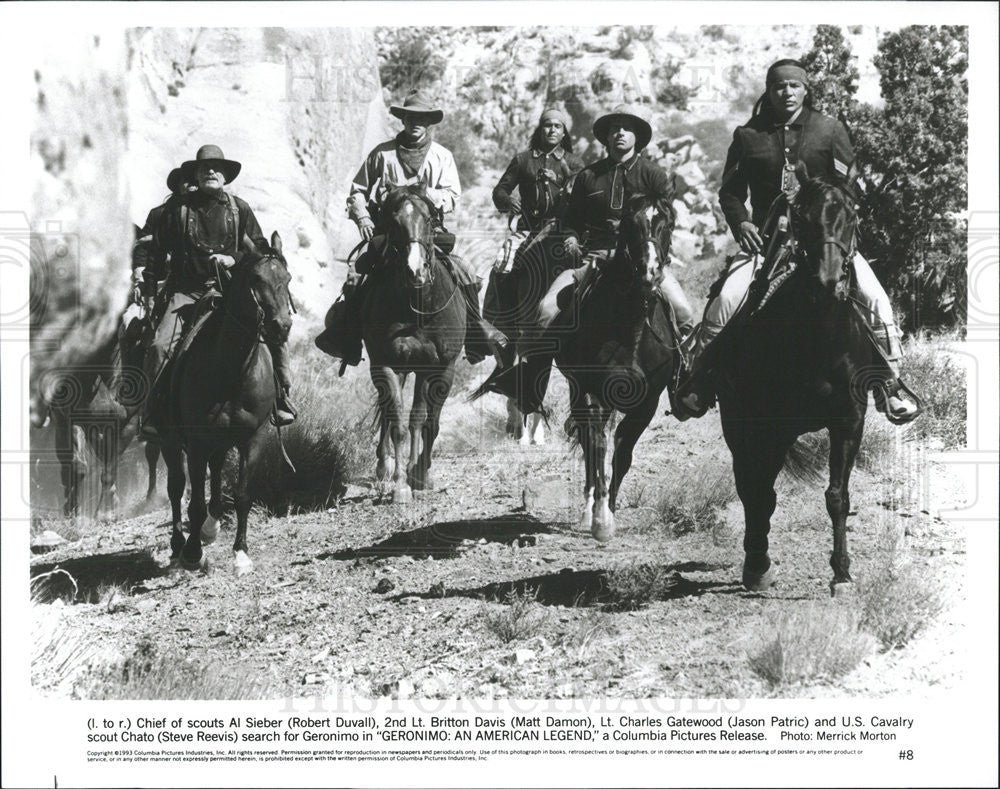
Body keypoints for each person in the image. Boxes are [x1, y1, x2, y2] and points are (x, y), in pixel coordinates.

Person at [677, 59, 919, 423]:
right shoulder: (747, 136)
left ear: (806, 89)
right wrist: (741, 223)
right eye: (779, 86)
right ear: (768, 91)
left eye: (794, 85)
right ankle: (702, 381)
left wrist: (832, 219)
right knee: (726, 300)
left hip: (824, 243)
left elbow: (848, 185)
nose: (786, 92)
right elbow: (729, 193)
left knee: (875, 299)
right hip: (767, 244)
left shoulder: (830, 129)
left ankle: (890, 386)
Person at [318, 89, 506, 366]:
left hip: (429, 232)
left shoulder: (442, 157)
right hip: (389, 233)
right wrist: (364, 218)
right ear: (402, 119)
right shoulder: (381, 155)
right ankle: (347, 336)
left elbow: (453, 195)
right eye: (411, 117)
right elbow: (357, 191)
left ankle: (476, 331)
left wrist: (427, 198)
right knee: (358, 275)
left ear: (430, 121)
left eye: (423, 118)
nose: (416, 123)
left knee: (464, 270)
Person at [140, 144, 296, 437]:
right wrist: (149, 293)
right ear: (196, 175)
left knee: (275, 334)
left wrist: (233, 258)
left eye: (217, 168)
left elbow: (260, 253)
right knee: (159, 346)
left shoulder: (240, 209)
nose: (211, 171)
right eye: (204, 168)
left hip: (230, 293)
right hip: (186, 293)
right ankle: (155, 410)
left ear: (225, 176)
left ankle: (280, 397)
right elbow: (155, 255)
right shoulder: (178, 210)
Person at [537, 103, 695, 343]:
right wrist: (572, 236)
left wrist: (656, 259)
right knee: (546, 310)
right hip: (596, 260)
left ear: (637, 136)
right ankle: (529, 371)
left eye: (627, 128)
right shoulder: (588, 176)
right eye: (615, 129)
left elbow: (666, 222)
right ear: (607, 137)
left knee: (684, 314)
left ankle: (682, 371)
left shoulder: (654, 175)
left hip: (644, 262)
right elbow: (573, 220)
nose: (620, 133)